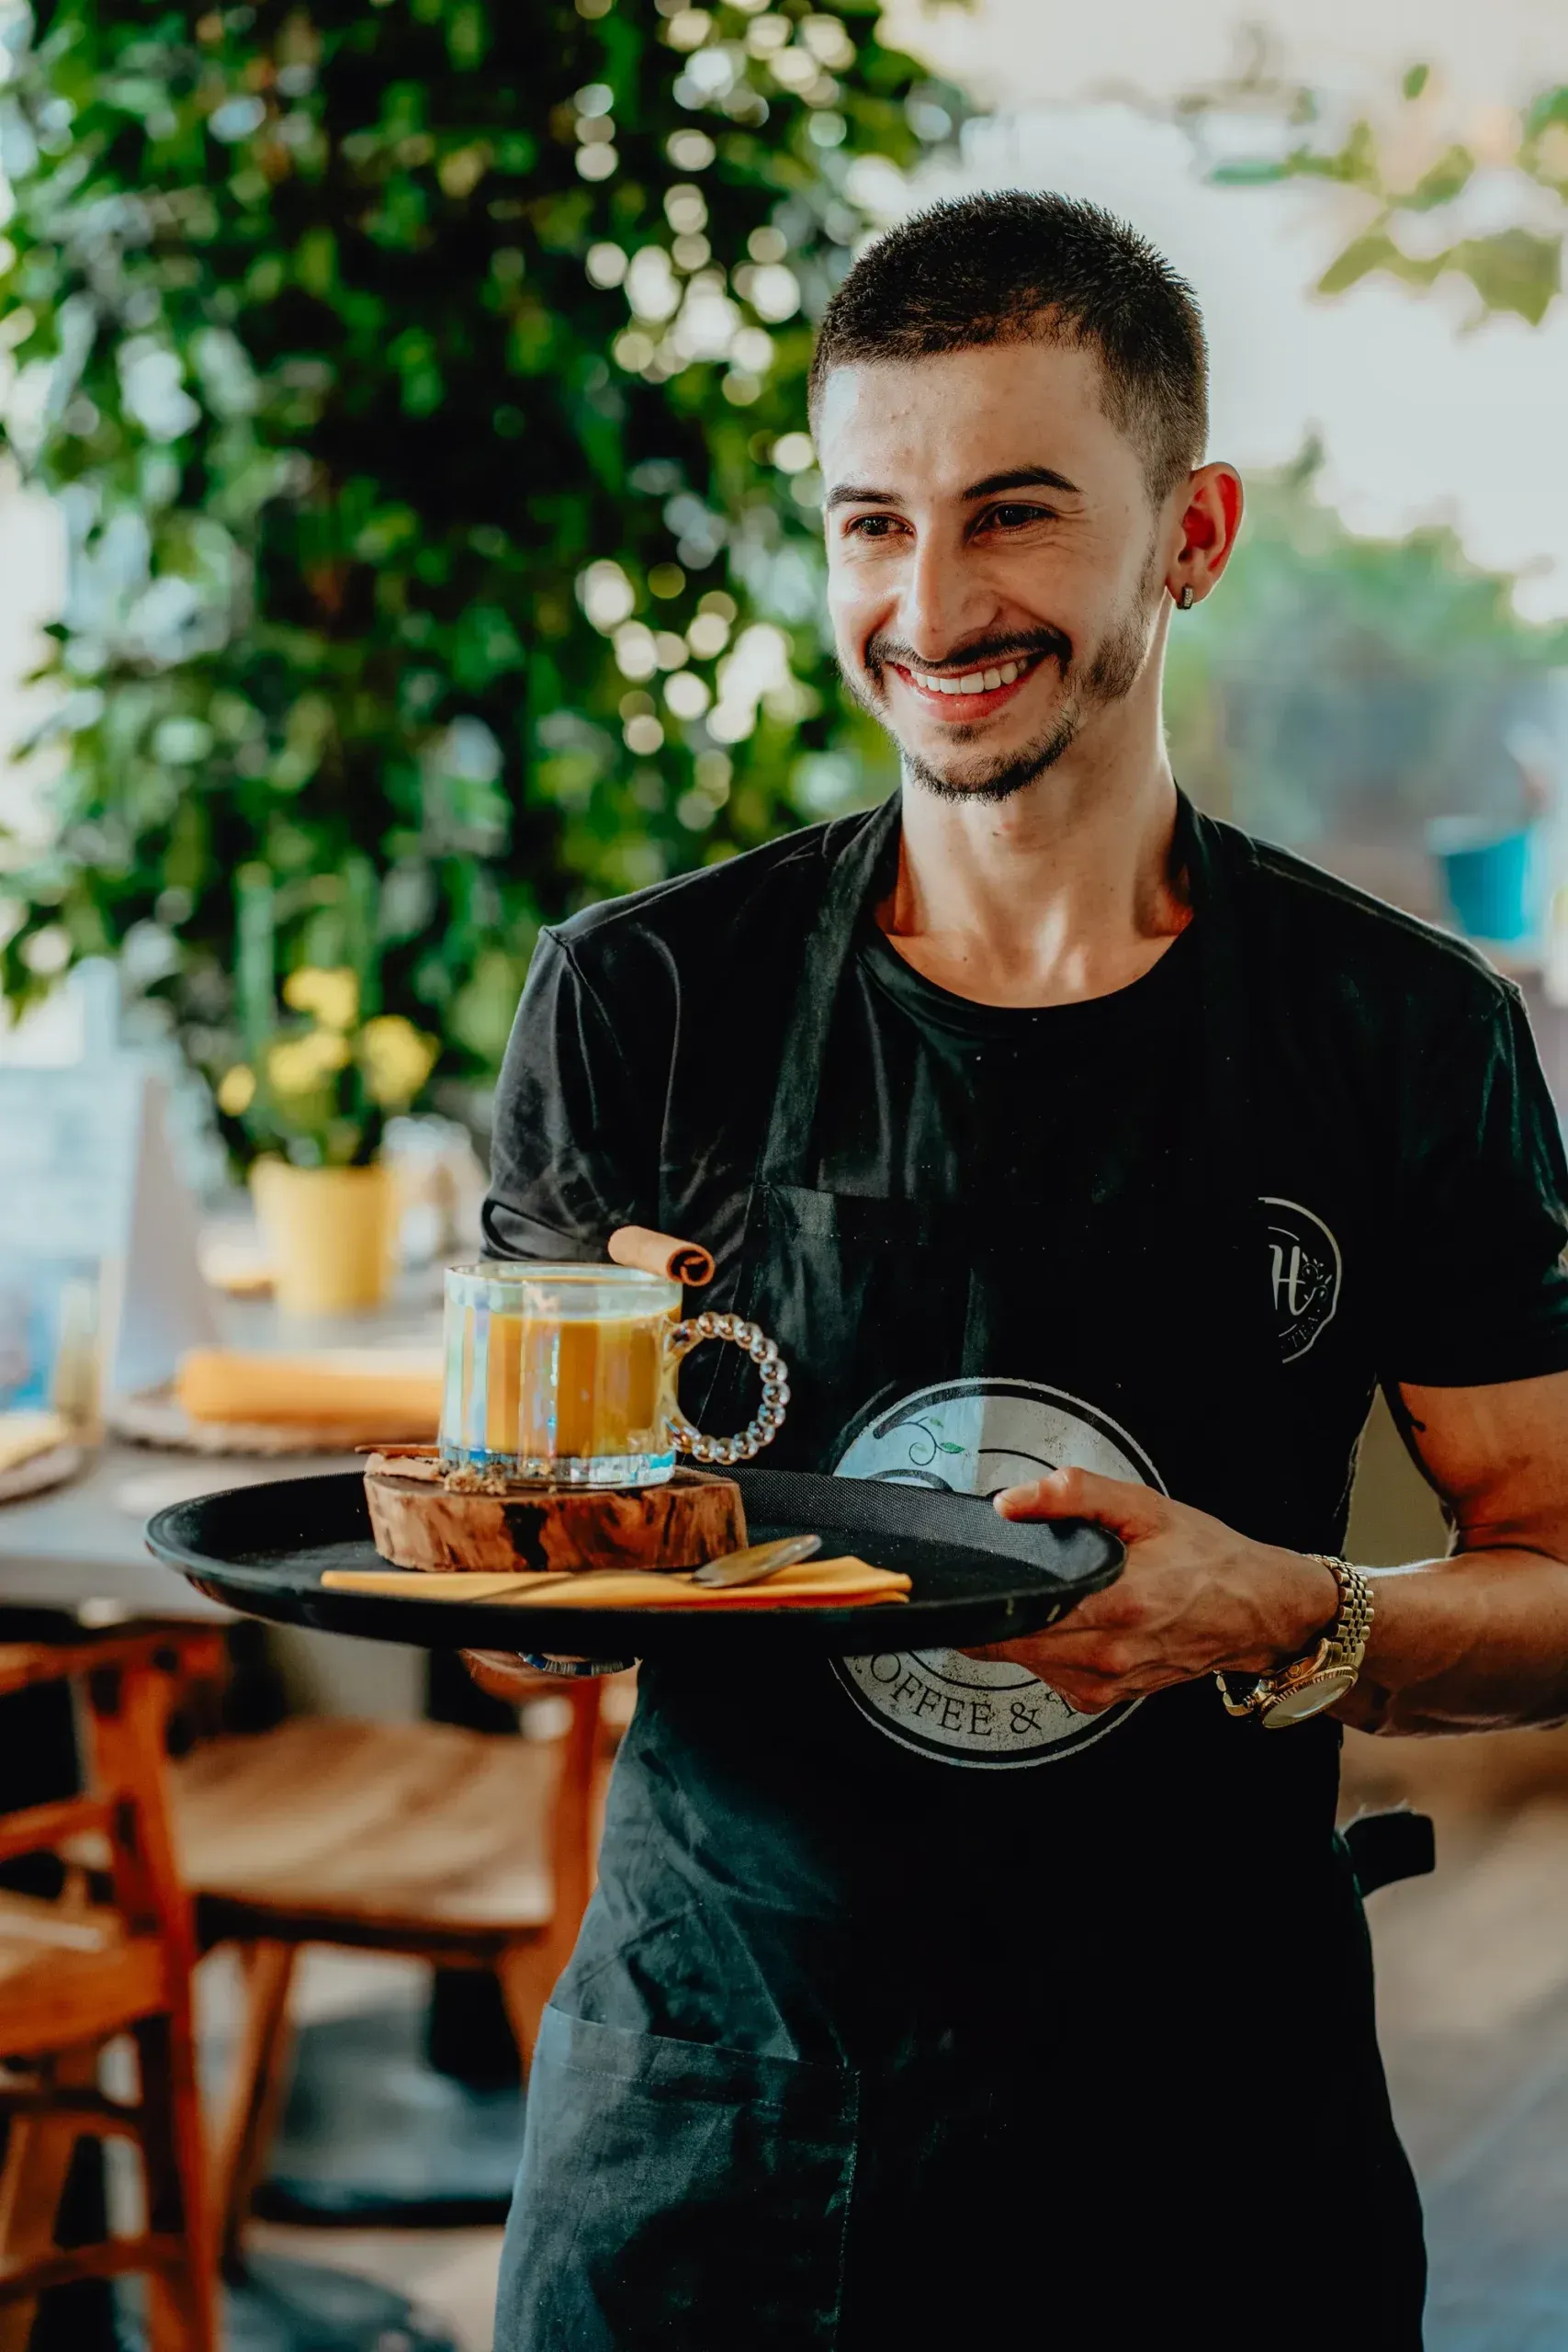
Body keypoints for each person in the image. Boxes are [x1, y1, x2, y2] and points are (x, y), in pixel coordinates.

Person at [484, 192, 1568, 2348]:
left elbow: (1554, 1574)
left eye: (1011, 514)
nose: (929, 601)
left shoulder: (1399, 1035)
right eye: (867, 522)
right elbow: (529, 1613)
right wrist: (550, 1553)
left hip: (1203, 2136)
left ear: (1190, 532)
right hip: (720, 2126)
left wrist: (1295, 1610)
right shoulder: (641, 1004)